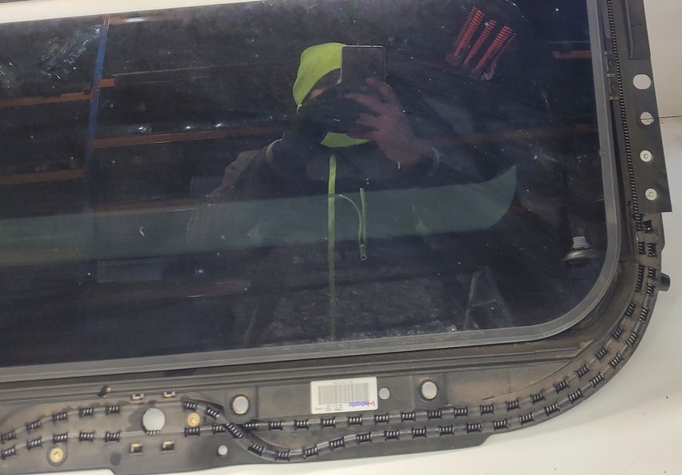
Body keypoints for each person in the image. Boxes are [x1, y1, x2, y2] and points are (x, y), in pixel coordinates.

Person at [187, 42, 520, 346]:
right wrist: (287, 154)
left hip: (420, 339)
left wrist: (414, 157)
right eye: (329, 90)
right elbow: (207, 245)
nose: (344, 99)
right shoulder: (263, 163)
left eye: (355, 89)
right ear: (304, 97)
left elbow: (486, 241)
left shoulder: (418, 157)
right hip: (289, 347)